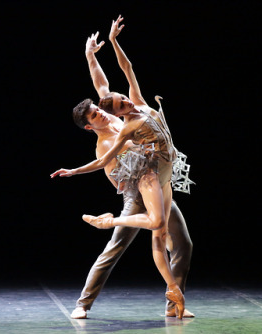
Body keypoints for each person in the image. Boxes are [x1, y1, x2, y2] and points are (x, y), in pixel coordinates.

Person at [51, 16, 189, 318]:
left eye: (100, 108)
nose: (101, 112)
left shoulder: (119, 112)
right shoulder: (105, 142)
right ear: (89, 127)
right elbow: (108, 168)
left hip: (156, 179)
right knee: (115, 248)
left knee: (182, 243)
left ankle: (173, 303)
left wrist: (90, 55)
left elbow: (102, 82)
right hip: (136, 191)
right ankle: (82, 303)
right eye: (96, 115)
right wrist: (74, 171)